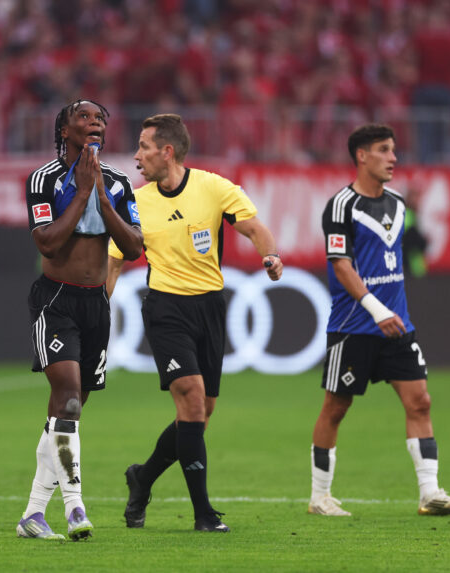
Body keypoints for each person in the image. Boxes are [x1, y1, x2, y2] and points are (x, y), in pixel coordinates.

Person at [107, 114, 283, 533]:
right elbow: (113, 262)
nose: (137, 156)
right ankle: (203, 514)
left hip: (210, 308)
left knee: (201, 413)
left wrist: (271, 255)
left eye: (143, 147)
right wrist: (99, 311)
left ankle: (143, 477)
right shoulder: (135, 202)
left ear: (167, 151)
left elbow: (254, 227)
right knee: (190, 399)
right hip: (166, 308)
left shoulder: (214, 187)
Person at [308, 123, 450, 517]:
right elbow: (341, 266)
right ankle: (319, 497)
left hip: (397, 327)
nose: (393, 157)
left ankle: (429, 493)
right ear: (362, 156)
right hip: (354, 326)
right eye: (384, 150)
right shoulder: (341, 206)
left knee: (421, 401)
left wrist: (391, 313)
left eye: (394, 150)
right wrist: (377, 309)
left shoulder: (398, 203)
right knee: (336, 407)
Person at [18, 99, 143, 541]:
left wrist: (103, 199)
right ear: (64, 129)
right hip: (55, 300)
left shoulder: (120, 183)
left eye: (101, 119)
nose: (96, 124)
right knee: (68, 401)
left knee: (65, 415)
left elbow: (132, 248)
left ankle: (33, 514)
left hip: (97, 305)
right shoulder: (43, 180)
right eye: (85, 118)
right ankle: (75, 508)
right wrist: (83, 192)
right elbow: (47, 243)